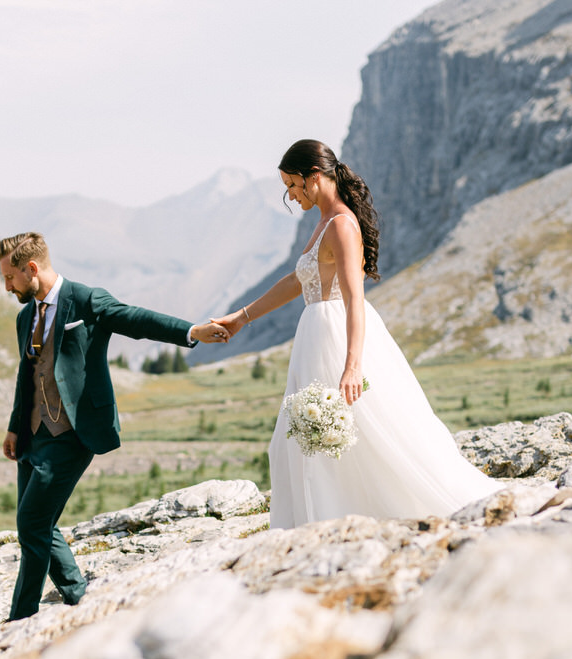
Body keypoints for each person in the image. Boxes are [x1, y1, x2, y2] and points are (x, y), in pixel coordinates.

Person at [214, 140, 501, 529]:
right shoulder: (322, 222)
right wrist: (242, 317)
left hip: (335, 335)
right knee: (301, 435)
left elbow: (354, 298)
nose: (291, 195)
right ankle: (318, 520)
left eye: (293, 186)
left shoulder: (342, 225)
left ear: (314, 176)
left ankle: (348, 516)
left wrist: (352, 366)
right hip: (314, 338)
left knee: (360, 430)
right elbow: (298, 280)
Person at [0, 232, 228, 620]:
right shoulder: (25, 317)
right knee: (38, 523)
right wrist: (14, 428)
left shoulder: (85, 301)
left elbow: (136, 319)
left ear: (31, 269)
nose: (6, 286)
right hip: (32, 436)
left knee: (31, 522)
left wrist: (191, 332)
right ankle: (81, 600)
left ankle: (20, 619)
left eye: (9, 277)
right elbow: (26, 374)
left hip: (73, 433)